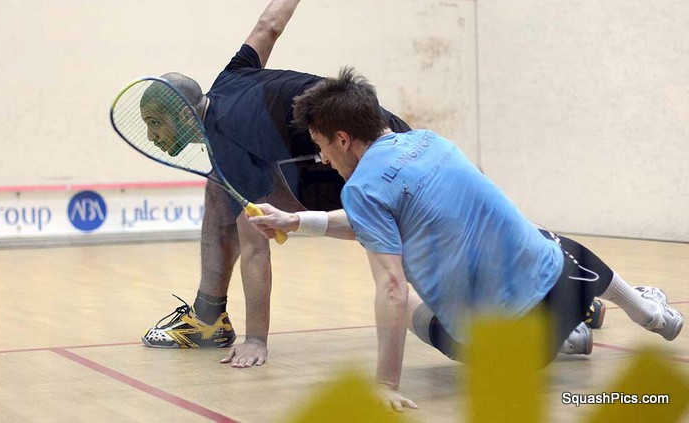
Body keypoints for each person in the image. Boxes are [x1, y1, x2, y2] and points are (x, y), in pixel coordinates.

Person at [247, 67, 684, 411]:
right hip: (569, 292)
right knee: (540, 237)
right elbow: (373, 218)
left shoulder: (363, 188)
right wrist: (296, 221)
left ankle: (571, 338)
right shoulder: (430, 142)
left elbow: (392, 288)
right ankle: (649, 313)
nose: (323, 158)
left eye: (322, 146)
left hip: (509, 354)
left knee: (411, 302)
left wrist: (384, 384)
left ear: (343, 139)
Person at [140, 0, 412, 368]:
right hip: (383, 137)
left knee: (412, 248)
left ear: (185, 113)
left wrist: (256, 341)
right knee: (220, 190)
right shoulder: (231, 77)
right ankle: (208, 317)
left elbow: (255, 248)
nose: (151, 137)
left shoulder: (228, 142)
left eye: (156, 123)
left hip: (373, 161)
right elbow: (269, 26)